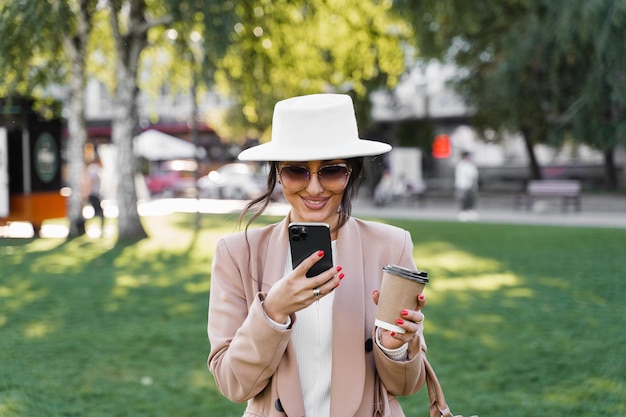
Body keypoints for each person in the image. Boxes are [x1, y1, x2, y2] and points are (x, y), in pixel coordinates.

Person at [207, 94, 428, 417]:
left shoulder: (391, 245)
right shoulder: (238, 254)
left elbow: (406, 386)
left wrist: (394, 347)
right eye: (297, 172)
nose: (314, 189)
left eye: (331, 171)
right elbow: (233, 385)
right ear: (278, 175)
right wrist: (274, 311)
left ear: (350, 173)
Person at [454, 151, 479, 221]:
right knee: (463, 199)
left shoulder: (471, 164)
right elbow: (462, 176)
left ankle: (470, 211)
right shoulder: (461, 165)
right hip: (463, 185)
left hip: (471, 185)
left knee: (471, 199)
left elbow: (474, 175)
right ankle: (463, 212)